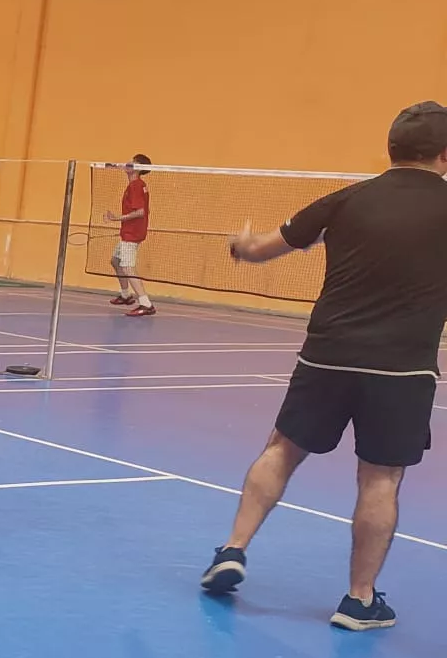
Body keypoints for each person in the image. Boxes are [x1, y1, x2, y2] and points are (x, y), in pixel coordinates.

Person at [200, 101, 447, 630]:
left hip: (327, 355)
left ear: (392, 148)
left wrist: (239, 246)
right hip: (401, 369)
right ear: (445, 156)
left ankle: (232, 550)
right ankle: (359, 600)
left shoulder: (349, 198)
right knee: (380, 480)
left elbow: (262, 248)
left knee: (281, 449)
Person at [104, 155, 156, 315]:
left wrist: (116, 218)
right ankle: (126, 295)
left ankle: (146, 304)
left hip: (132, 234)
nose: (129, 163)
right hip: (129, 231)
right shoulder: (136, 185)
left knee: (127, 267)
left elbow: (140, 212)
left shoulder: (136, 186)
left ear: (139, 169)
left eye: (134, 163)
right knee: (116, 261)